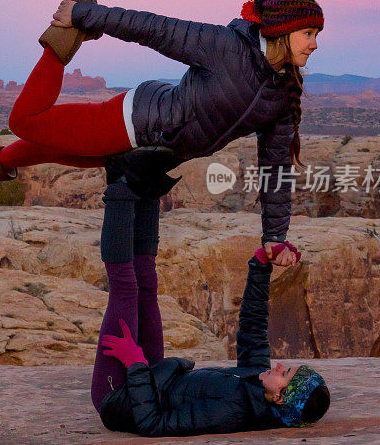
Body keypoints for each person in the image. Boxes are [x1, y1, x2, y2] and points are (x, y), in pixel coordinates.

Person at [0, 0, 323, 260]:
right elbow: (154, 29)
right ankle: (61, 39)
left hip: (148, 155)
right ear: (281, 31)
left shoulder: (281, 95)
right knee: (24, 121)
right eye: (308, 33)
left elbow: (276, 168)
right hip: (131, 124)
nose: (315, 44)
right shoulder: (225, 47)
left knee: (52, 147)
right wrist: (84, 14)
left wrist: (275, 238)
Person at [92, 165, 330, 436]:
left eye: (284, 373)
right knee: (146, 279)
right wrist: (262, 263)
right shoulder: (255, 383)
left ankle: (120, 183)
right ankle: (145, 179)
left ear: (279, 397)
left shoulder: (230, 413)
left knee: (126, 287)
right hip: (153, 376)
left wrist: (134, 364)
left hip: (118, 398)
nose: (278, 365)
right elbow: (253, 324)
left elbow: (153, 424)